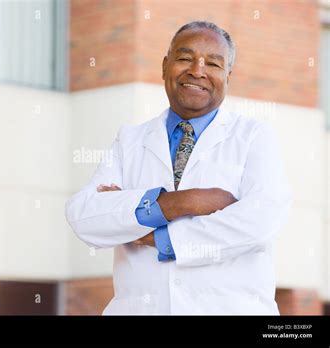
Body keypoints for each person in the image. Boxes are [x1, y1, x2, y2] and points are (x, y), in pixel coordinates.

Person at [65, 21, 292, 315]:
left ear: (227, 77)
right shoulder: (130, 140)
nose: (197, 71)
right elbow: (85, 215)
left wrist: (153, 236)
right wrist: (186, 202)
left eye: (213, 63)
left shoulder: (253, 137)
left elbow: (260, 221)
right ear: (164, 67)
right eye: (185, 58)